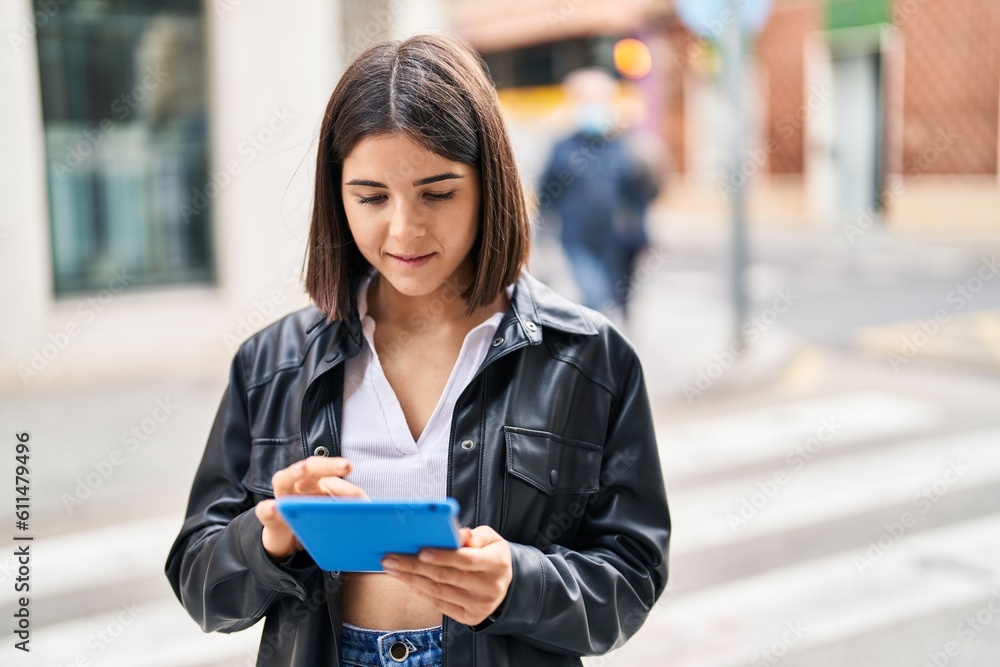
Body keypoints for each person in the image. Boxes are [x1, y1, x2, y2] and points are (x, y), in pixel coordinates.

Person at [165, 34, 671, 667]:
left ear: (490, 185)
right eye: (371, 197)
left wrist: (517, 583)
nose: (404, 229)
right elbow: (201, 584)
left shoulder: (589, 357)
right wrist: (268, 539)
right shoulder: (272, 362)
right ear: (336, 194)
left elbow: (632, 576)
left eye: (438, 193)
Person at [537, 68, 659, 319]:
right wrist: (541, 234)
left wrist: (643, 235)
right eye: (586, 100)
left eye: (598, 100)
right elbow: (547, 192)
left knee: (618, 296)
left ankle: (613, 338)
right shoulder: (562, 147)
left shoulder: (625, 145)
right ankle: (600, 343)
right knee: (593, 295)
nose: (592, 107)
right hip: (577, 237)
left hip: (618, 239)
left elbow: (643, 193)